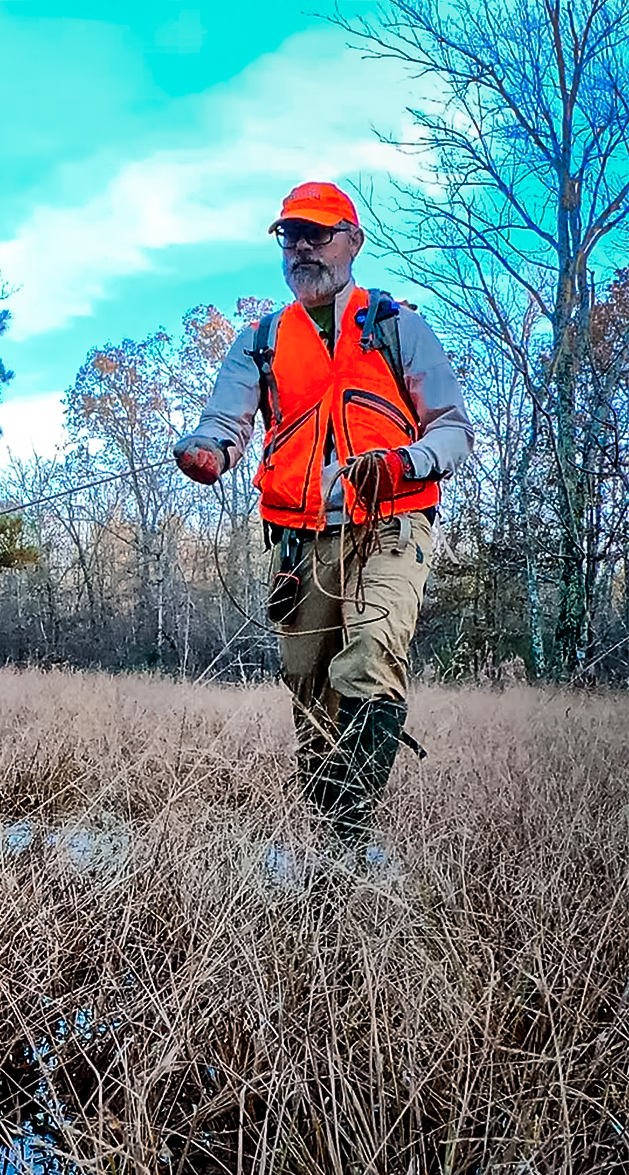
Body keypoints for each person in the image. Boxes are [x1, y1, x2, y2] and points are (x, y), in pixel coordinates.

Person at [172, 181, 473, 850]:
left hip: (391, 523)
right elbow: (223, 423)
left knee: (367, 661)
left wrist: (404, 462)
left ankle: (347, 839)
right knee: (310, 693)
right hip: (296, 540)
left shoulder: (398, 326)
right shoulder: (260, 338)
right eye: (290, 236)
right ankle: (331, 843)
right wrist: (209, 451)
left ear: (353, 242)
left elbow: (452, 430)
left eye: (318, 233)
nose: (303, 248)